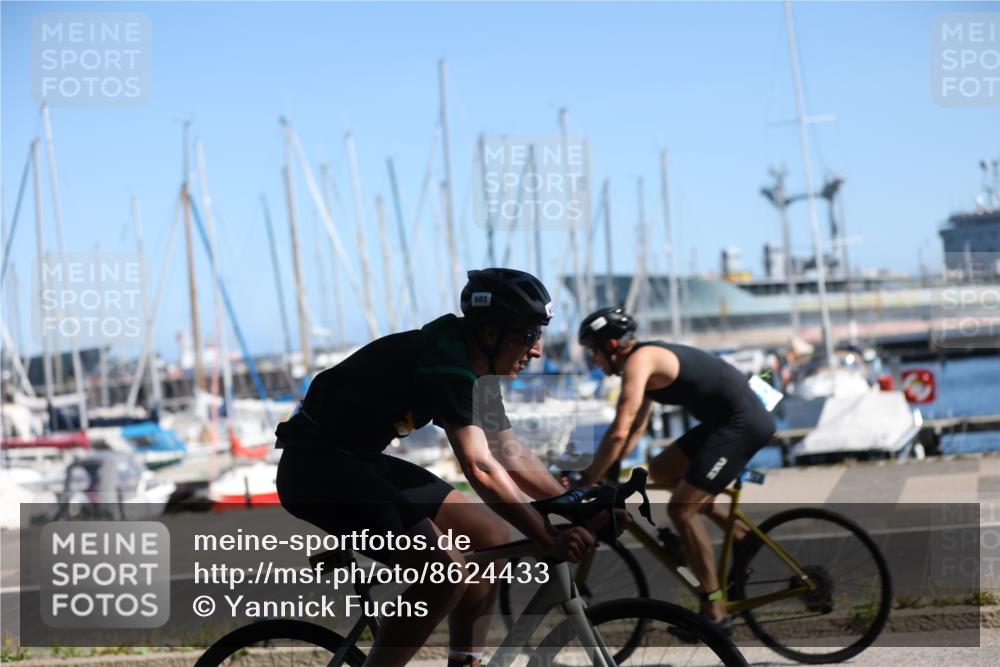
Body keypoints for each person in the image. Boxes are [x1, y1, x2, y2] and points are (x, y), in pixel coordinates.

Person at [275, 268, 613, 667]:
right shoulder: (447, 362)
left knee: (489, 536)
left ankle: (464, 662)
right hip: (315, 471)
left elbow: (507, 450)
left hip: (358, 462)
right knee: (445, 570)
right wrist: (545, 536)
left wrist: (574, 503)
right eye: (527, 335)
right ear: (490, 332)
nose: (536, 349)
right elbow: (480, 465)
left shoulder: (473, 368)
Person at [568, 306, 776, 634]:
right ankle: (741, 538)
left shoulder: (640, 360)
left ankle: (714, 612)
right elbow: (636, 429)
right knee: (662, 469)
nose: (593, 360)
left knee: (681, 509)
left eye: (593, 351)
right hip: (724, 423)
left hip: (741, 425)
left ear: (610, 346)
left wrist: (587, 478)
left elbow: (620, 430)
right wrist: (609, 474)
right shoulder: (643, 363)